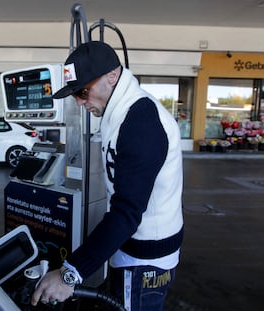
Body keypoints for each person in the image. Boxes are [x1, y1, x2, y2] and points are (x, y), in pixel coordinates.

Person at [31, 41, 184, 311]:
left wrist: (70, 274)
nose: (79, 102)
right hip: (127, 249)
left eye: (83, 91)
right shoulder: (119, 111)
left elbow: (127, 212)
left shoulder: (140, 123)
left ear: (112, 77)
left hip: (144, 262)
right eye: (75, 94)